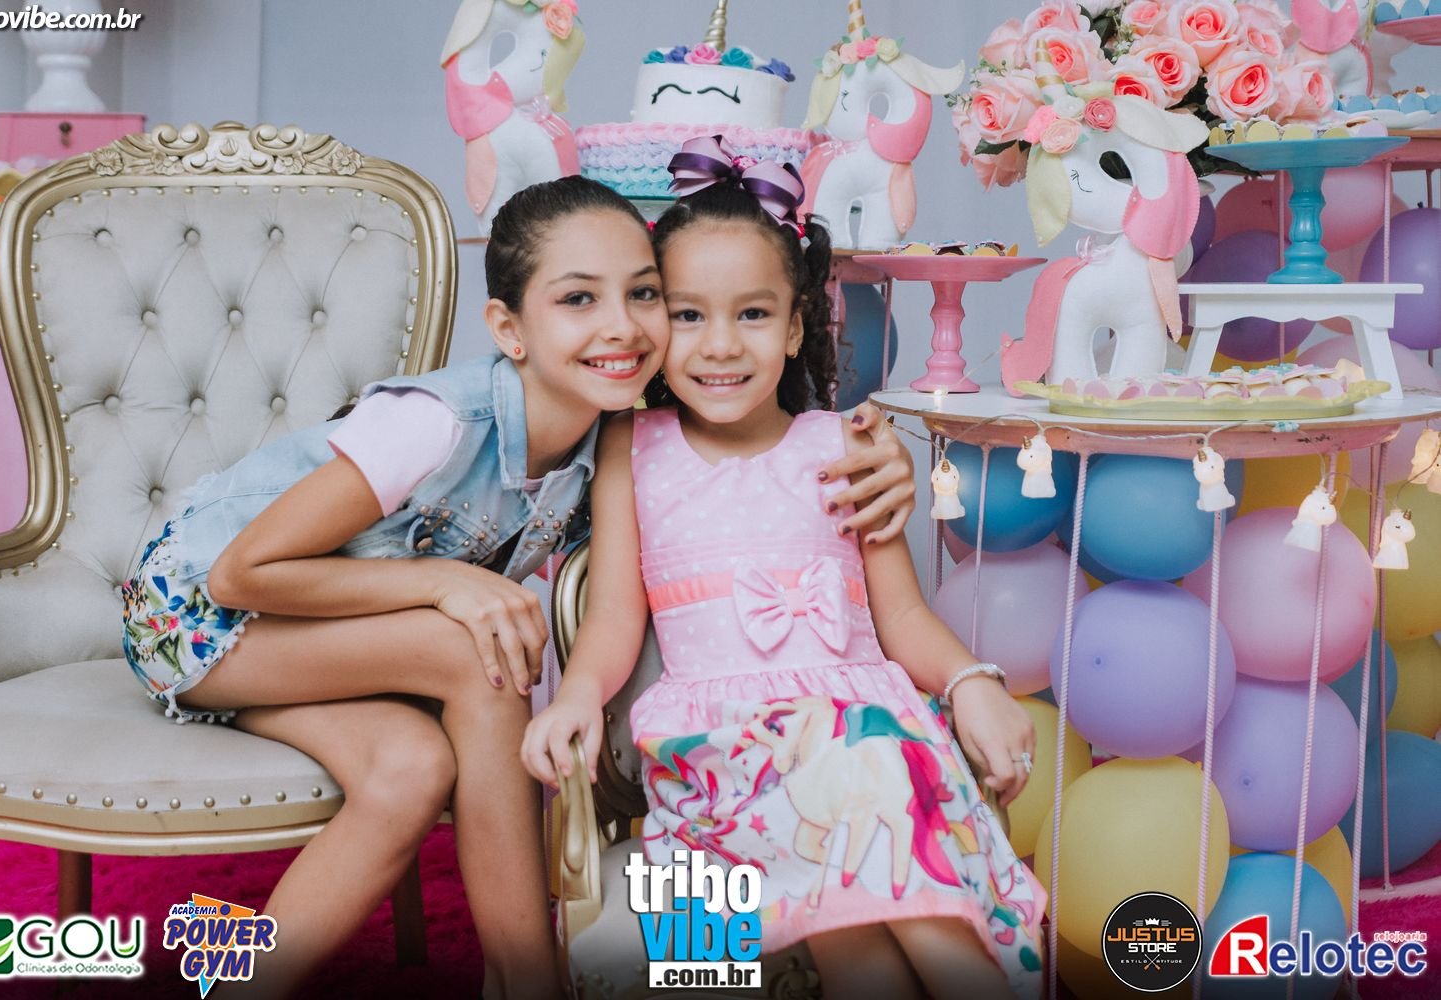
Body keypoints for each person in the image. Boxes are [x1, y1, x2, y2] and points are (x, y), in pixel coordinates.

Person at [120, 174, 917, 999]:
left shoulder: (614, 441)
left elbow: (734, 492)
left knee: (408, 772)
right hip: (194, 615)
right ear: (509, 329)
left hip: (316, 648)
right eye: (578, 299)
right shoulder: (435, 423)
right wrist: (445, 583)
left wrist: (881, 460)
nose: (620, 325)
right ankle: (526, 977)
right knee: (481, 650)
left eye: (644, 294)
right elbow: (241, 573)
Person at [521, 146, 1047, 999]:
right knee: (860, 785)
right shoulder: (632, 447)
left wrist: (971, 682)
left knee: (863, 860)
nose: (721, 345)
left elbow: (902, 618)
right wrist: (577, 695)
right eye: (688, 315)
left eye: (754, 314)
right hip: (729, 760)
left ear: (797, 327)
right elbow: (614, 615)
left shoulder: (847, 444)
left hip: (862, 747)